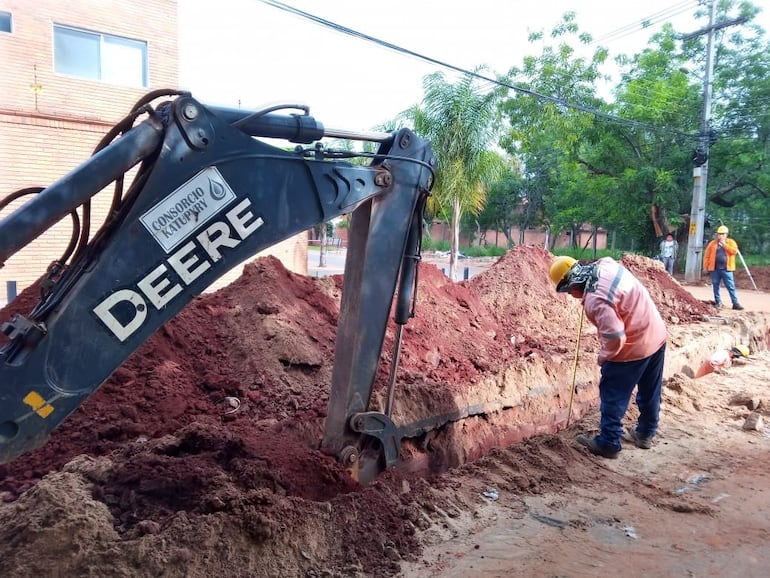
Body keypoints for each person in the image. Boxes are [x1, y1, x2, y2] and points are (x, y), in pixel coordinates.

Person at [549, 256, 668, 459]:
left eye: (569, 291)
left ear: (572, 285)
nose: (571, 296)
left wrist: (604, 357)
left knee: (613, 393)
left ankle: (609, 442)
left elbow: (615, 337)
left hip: (634, 345)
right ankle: (646, 433)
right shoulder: (607, 265)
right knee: (650, 389)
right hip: (656, 335)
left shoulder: (595, 301)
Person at [703, 225, 744, 310]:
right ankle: (718, 302)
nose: (720, 236)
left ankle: (735, 303)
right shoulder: (712, 244)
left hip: (727, 269)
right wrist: (705, 267)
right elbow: (707, 256)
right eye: (719, 234)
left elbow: (734, 252)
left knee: (731, 286)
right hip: (715, 269)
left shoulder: (731, 242)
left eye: (722, 234)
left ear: (726, 234)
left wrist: (724, 245)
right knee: (715, 286)